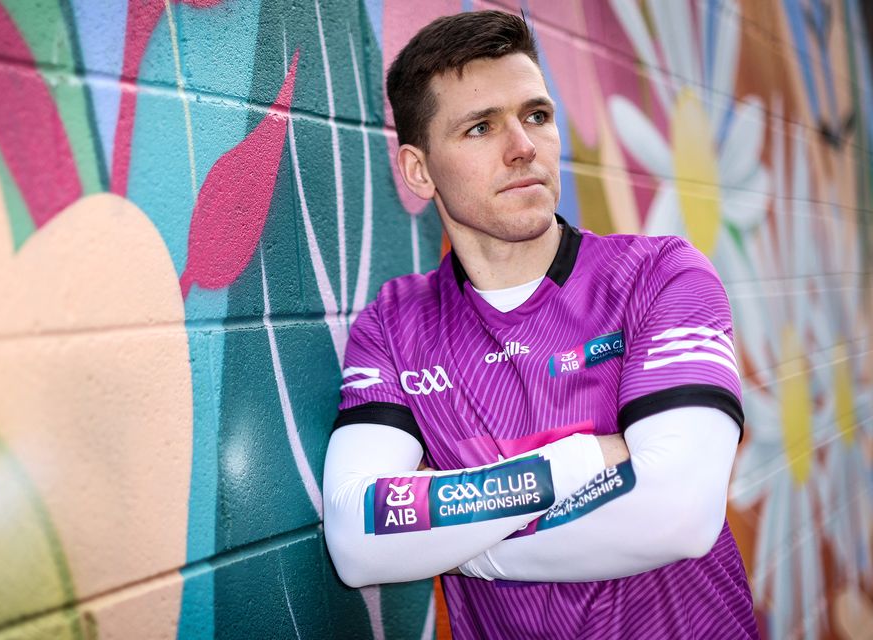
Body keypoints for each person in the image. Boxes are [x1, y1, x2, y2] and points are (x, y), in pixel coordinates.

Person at [322, 10, 757, 639]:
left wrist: (475, 553)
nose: (523, 145)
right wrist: (576, 462)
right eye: (479, 127)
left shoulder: (660, 277)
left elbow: (677, 515)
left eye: (537, 116)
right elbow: (359, 538)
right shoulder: (395, 325)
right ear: (419, 170)